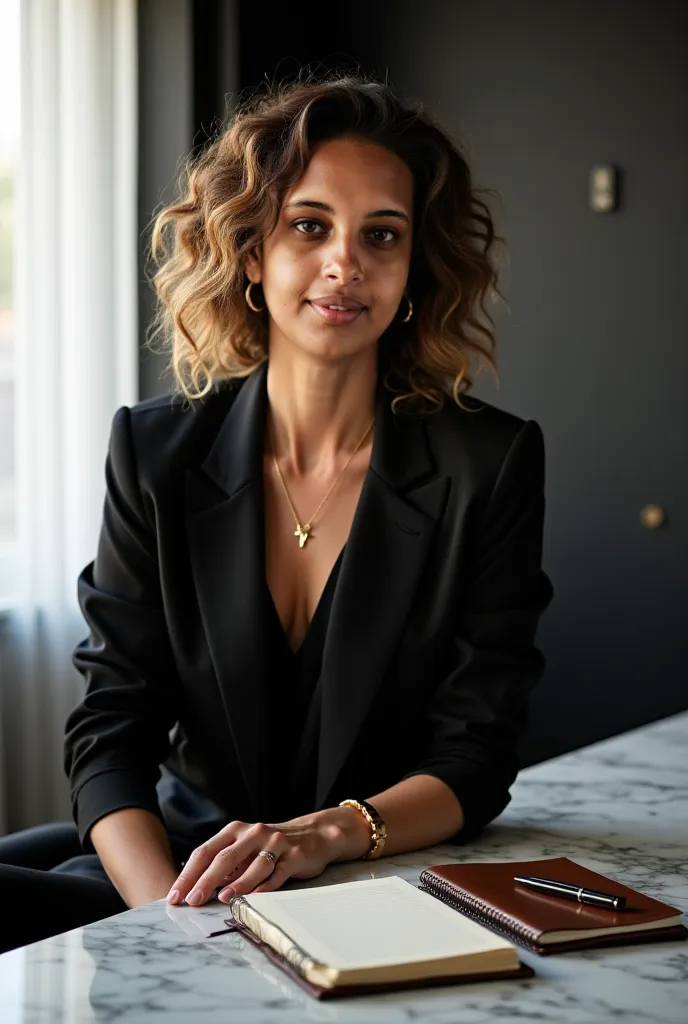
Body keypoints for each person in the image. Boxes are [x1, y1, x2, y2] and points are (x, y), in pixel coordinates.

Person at [0, 73, 553, 951]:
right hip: (180, 869)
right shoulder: (154, 454)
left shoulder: (488, 464)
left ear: (413, 270)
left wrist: (325, 832)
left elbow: (476, 756)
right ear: (253, 252)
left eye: (383, 235)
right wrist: (172, 921)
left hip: (379, 868)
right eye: (309, 225)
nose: (345, 262)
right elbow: (112, 730)